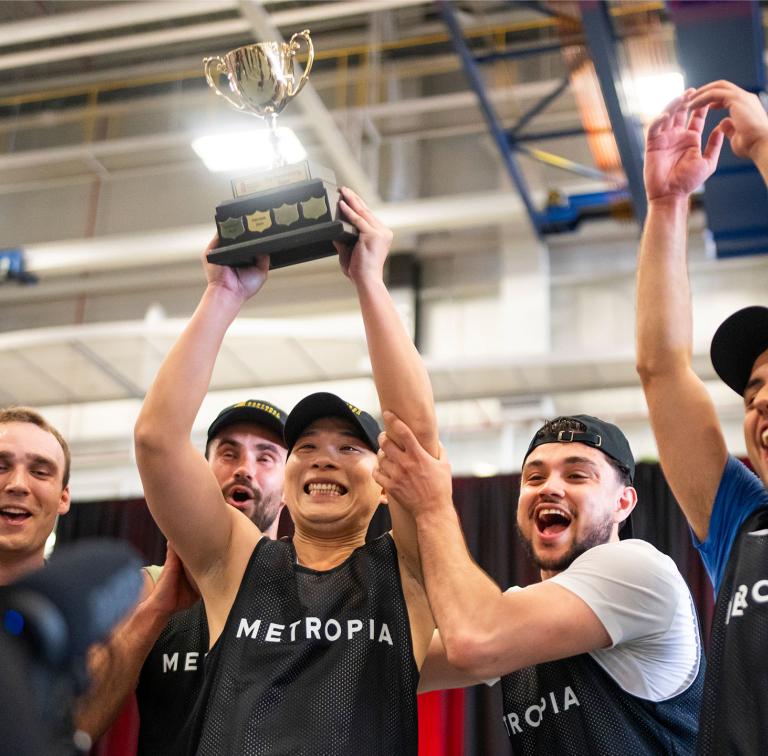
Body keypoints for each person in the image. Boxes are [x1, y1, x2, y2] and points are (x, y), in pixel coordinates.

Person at [133, 186, 438, 754]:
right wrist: (223, 293)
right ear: (291, 478)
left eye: (350, 448)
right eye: (308, 447)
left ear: (384, 482)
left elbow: (416, 436)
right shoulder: (237, 561)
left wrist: (369, 281)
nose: (324, 456)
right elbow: (157, 441)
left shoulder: (410, 569)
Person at [375, 411, 704, 754]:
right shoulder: (516, 618)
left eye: (577, 475)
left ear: (623, 503)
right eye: (534, 477)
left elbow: (474, 639)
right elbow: (385, 667)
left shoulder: (639, 569)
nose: (549, 487)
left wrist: (431, 506)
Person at [636, 80, 768, 754]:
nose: (762, 401)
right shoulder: (742, 522)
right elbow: (662, 372)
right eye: (751, 394)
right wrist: (667, 205)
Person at [75, 398, 290, 755]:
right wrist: (157, 611)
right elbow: (78, 720)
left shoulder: (311, 588)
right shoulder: (151, 587)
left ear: (288, 486)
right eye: (228, 453)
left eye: (265, 457)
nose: (244, 469)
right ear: (202, 472)